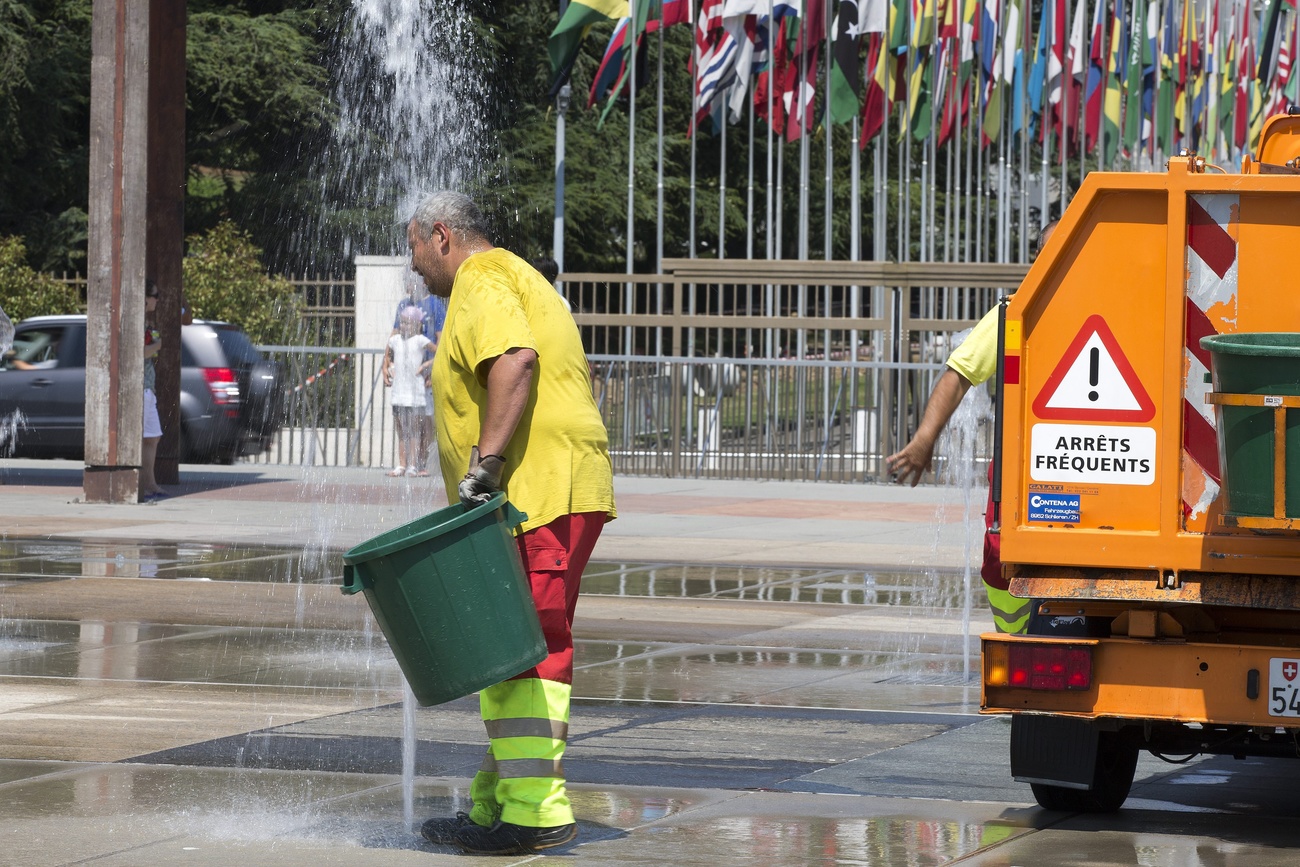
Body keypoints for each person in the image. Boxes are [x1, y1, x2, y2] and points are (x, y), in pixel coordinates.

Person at [407, 191, 616, 856]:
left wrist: (485, 467)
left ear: (443, 235)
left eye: (413, 248)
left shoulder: (482, 278)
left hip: (533, 493)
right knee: (515, 650)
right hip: (554, 486)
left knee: (522, 655)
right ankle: (500, 801)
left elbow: (515, 361)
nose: (413, 267)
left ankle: (534, 813)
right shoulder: (517, 275)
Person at [885, 221, 1057, 634]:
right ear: (1035, 261)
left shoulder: (1114, 309)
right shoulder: (1013, 314)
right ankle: (1018, 639)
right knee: (1002, 557)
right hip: (1024, 473)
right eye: (1051, 253)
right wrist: (924, 440)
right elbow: (958, 374)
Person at [382, 286, 446, 475]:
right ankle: (407, 463)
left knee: (425, 420)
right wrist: (385, 364)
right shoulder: (404, 303)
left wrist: (434, 368)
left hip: (423, 375)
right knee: (405, 422)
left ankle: (421, 463)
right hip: (405, 378)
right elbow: (393, 336)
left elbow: (440, 340)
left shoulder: (435, 304)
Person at [140, 281, 166, 502]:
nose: (158, 300)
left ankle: (150, 482)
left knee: (153, 436)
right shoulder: (137, 321)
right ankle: (143, 483)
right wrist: (157, 345)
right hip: (138, 388)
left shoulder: (148, 322)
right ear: (146, 297)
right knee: (143, 436)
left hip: (148, 387)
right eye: (156, 296)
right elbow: (140, 353)